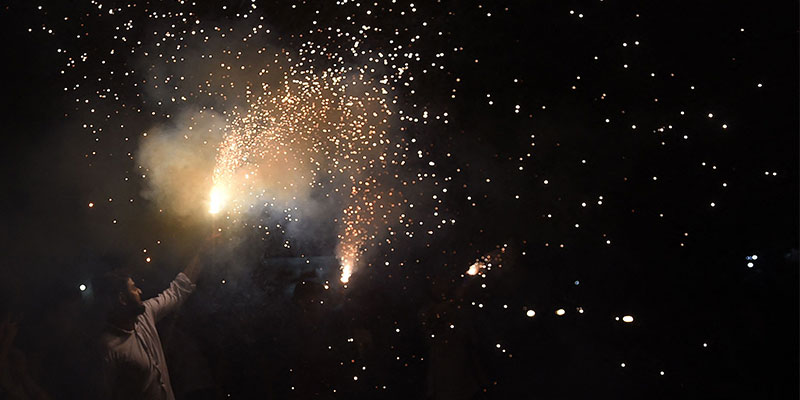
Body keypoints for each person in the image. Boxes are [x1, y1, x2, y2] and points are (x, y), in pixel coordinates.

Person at [96, 237, 212, 400]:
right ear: (122, 299)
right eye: (134, 288)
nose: (140, 291)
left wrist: (202, 254)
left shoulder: (145, 315)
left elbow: (176, 291)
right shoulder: (109, 349)